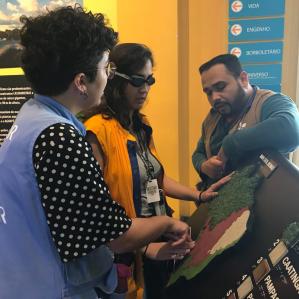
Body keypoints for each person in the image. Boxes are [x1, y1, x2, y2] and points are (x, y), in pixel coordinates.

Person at [0, 7, 195, 299]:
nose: (108, 77)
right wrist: (167, 223)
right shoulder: (59, 137)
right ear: (81, 81)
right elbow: (114, 235)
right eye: (106, 69)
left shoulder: (32, 117)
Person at [83, 43, 230, 299]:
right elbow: (95, 216)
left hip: (159, 241)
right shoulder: (96, 129)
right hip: (126, 254)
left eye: (150, 80)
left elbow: (156, 179)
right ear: (115, 79)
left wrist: (197, 196)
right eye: (139, 80)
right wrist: (145, 248)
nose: (145, 89)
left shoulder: (141, 125)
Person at [192, 53, 299, 189]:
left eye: (220, 87)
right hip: (219, 203)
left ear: (243, 79)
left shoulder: (269, 102)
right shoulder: (213, 116)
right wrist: (203, 165)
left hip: (262, 204)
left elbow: (291, 130)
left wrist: (231, 143)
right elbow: (198, 153)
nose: (215, 97)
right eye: (208, 92)